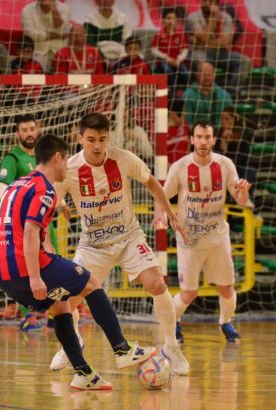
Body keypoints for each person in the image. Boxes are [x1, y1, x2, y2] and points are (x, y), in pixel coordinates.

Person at [0, 133, 155, 390]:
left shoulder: (18, 184)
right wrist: (35, 276)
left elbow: (21, 228)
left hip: (2, 272)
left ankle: (84, 374)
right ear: (57, 157)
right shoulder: (45, 189)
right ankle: (122, 350)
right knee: (92, 282)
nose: (68, 166)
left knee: (60, 307)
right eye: (66, 160)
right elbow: (31, 232)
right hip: (24, 264)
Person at [50, 112, 190, 375]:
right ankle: (72, 342)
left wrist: (171, 215)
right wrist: (61, 204)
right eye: (91, 139)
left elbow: (151, 183)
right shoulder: (70, 168)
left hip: (128, 237)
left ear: (108, 138)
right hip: (93, 244)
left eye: (102, 139)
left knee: (157, 284)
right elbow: (52, 194)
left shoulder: (123, 158)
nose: (97, 145)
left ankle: (171, 346)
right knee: (67, 301)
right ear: (80, 138)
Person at [159, 121, 252, 344]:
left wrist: (243, 192)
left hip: (218, 237)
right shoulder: (180, 167)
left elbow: (240, 200)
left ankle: (226, 322)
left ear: (213, 140)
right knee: (189, 293)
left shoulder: (225, 164)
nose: (203, 142)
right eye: (199, 137)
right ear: (192, 140)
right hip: (189, 239)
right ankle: (173, 323)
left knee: (227, 288)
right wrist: (160, 215)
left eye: (207, 137)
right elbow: (163, 195)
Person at [0, 115, 63, 331]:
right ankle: (28, 316)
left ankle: (56, 313)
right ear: (17, 133)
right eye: (24, 130)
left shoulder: (42, 158)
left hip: (45, 222)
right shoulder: (13, 158)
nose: (29, 133)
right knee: (25, 266)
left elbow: (48, 185)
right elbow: (1, 186)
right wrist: (15, 207)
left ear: (38, 130)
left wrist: (61, 203)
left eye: (32, 128)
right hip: (24, 224)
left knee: (53, 263)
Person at [185, 0, 248, 88]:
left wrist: (201, 41)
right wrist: (213, 18)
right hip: (200, 51)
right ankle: (204, 92)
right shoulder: (192, 17)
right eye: (203, 1)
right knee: (204, 65)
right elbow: (204, 36)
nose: (205, 4)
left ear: (216, 4)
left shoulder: (226, 18)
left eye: (209, 2)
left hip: (221, 52)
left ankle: (232, 91)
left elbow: (225, 42)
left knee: (245, 61)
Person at [21, 0, 70, 72]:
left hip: (60, 51)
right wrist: (57, 36)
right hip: (38, 52)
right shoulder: (27, 10)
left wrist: (54, 10)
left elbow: (63, 30)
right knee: (37, 67)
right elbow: (31, 35)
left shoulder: (64, 8)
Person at [183, 61, 233, 130]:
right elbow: (187, 122)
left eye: (209, 74)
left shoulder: (224, 96)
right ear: (197, 75)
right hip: (196, 133)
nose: (207, 77)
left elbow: (230, 120)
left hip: (218, 133)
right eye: (204, 75)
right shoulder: (188, 95)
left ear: (214, 75)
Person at [151, 8, 190, 89]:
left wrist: (179, 60)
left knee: (185, 73)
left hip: (177, 61)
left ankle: (183, 90)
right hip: (163, 61)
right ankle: (172, 90)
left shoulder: (181, 34)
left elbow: (185, 50)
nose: (171, 21)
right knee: (168, 71)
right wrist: (166, 57)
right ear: (163, 21)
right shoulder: (159, 34)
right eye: (168, 18)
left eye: (173, 19)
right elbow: (154, 50)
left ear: (177, 21)